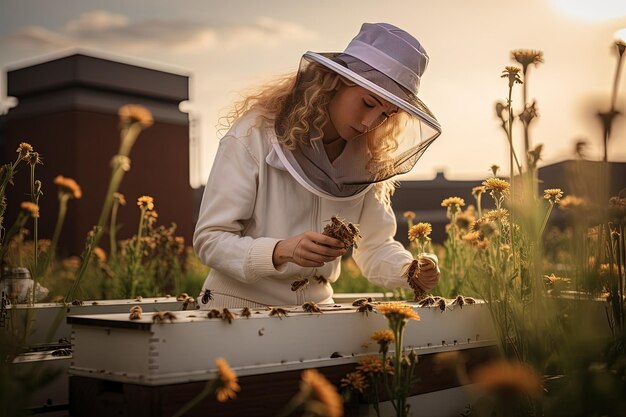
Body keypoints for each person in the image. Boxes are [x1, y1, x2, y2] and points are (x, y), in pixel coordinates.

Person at [194, 22, 442, 308]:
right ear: (335, 81)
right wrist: (280, 250)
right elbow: (210, 240)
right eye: (368, 102)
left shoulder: (369, 160)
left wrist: (410, 270)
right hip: (235, 309)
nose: (369, 122)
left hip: (317, 312)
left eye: (386, 114)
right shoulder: (253, 135)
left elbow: (375, 246)